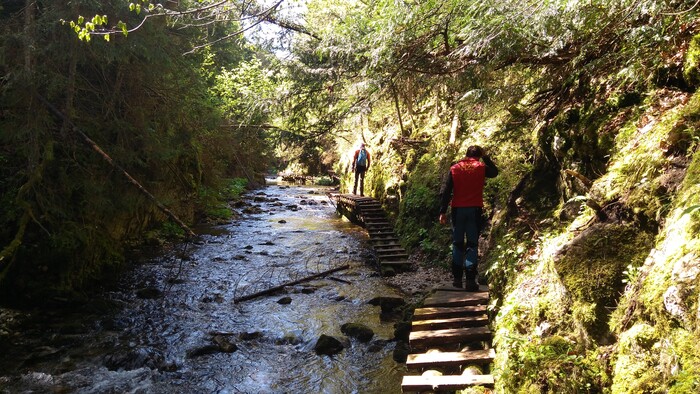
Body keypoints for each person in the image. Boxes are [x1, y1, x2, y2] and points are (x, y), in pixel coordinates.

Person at [439, 145, 498, 291]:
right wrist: (486, 158)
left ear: (466, 154)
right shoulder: (481, 167)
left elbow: (447, 191)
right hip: (474, 210)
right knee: (472, 244)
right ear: (479, 155)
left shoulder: (455, 168)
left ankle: (457, 279)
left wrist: (442, 211)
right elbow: (495, 172)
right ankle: (471, 280)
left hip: (457, 210)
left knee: (457, 243)